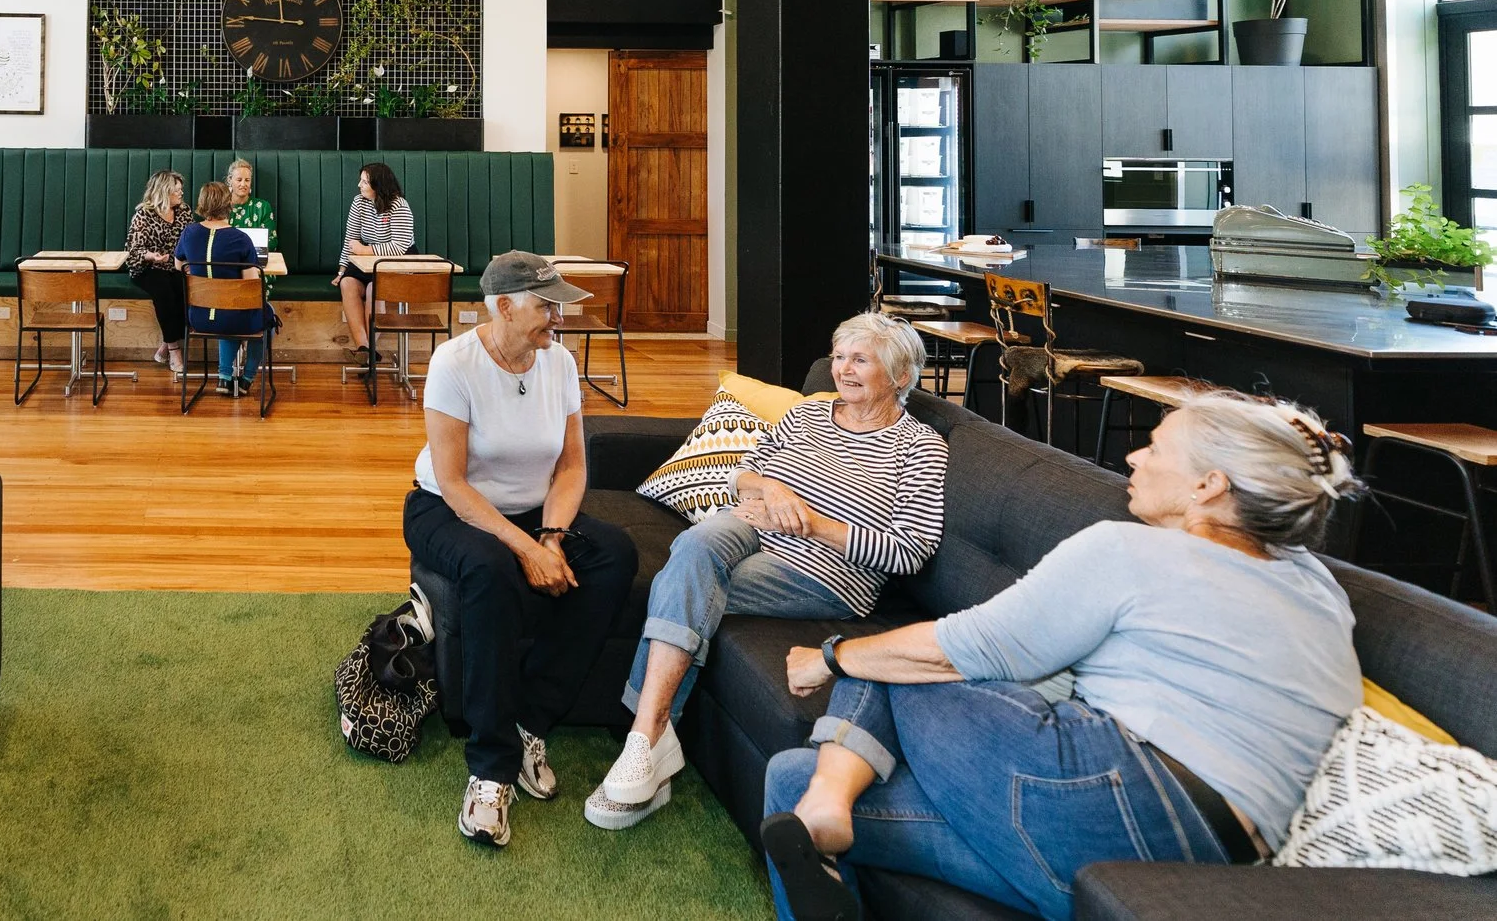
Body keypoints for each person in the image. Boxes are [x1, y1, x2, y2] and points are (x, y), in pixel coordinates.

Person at [759, 391, 1363, 921]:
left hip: (1120, 789)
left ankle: (829, 796)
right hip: (1196, 862)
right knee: (792, 780)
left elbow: (957, 653)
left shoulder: (1130, 550)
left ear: (1208, 486)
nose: (1133, 458)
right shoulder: (1320, 588)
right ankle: (825, 804)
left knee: (912, 654)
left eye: (1155, 450)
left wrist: (832, 657)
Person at [586, 312, 946, 830]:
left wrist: (816, 524)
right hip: (749, 529)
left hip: (825, 571)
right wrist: (769, 488)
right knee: (693, 547)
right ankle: (652, 739)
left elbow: (910, 551)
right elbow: (744, 475)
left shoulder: (920, 446)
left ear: (901, 376)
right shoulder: (809, 416)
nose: (842, 370)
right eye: (839, 356)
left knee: (681, 581)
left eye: (860, 360)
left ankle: (646, 736)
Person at [406, 251, 636, 850]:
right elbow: (453, 482)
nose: (556, 318)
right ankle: (490, 769)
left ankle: (531, 719)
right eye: (545, 306)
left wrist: (552, 537)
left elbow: (573, 462)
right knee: (489, 570)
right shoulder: (453, 363)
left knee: (613, 554)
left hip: (536, 509)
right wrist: (525, 550)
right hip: (448, 507)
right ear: (504, 306)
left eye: (557, 306)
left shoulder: (558, 361)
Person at [175, 182, 274, 396]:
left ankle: (224, 377)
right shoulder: (241, 239)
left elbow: (178, 265)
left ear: (202, 204)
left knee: (224, 305)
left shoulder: (189, 232)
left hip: (198, 317)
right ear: (228, 203)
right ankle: (247, 378)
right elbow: (251, 285)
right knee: (266, 313)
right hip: (233, 318)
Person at [336, 161, 415, 357]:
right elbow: (350, 237)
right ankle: (364, 348)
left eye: (364, 182)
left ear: (378, 185)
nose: (359, 185)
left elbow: (399, 246)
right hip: (368, 261)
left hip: (397, 260)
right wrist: (342, 269)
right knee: (347, 283)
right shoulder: (359, 202)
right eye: (360, 181)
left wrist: (364, 250)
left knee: (374, 288)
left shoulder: (399, 205)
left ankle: (369, 353)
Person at [122, 170, 194, 371]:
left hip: (175, 265)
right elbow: (133, 250)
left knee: (184, 289)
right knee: (163, 290)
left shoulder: (184, 211)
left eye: (181, 190)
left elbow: (191, 239)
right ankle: (174, 350)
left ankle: (165, 344)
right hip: (147, 267)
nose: (181, 194)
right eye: (176, 190)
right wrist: (151, 256)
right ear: (163, 192)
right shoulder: (143, 214)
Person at [225, 158, 275, 240]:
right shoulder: (220, 206)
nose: (243, 184)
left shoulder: (263, 207)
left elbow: (271, 240)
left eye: (247, 180)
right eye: (239, 180)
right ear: (229, 180)